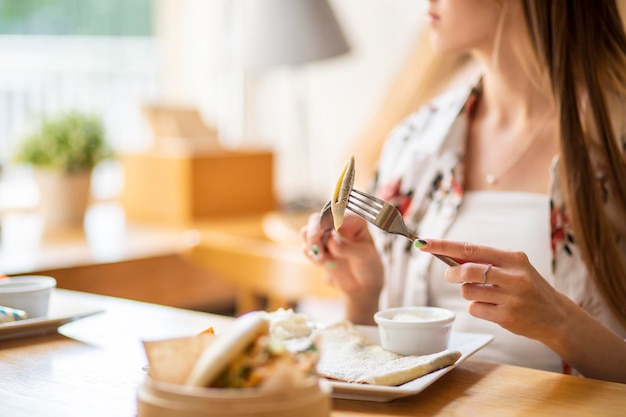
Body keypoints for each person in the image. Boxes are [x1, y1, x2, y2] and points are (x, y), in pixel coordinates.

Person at [301, 0, 626, 383]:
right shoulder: (415, 141)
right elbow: (388, 373)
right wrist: (363, 297)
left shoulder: (614, 140)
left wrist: (559, 321)